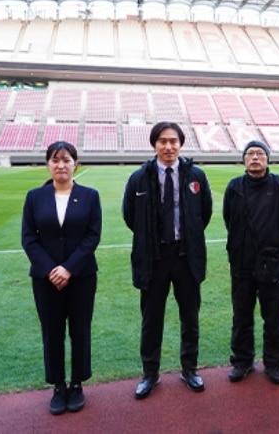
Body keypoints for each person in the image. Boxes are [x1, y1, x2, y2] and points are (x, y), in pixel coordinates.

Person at [122, 121, 213, 399]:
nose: (168, 146)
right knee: (151, 320)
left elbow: (204, 213)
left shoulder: (195, 174)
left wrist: (188, 237)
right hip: (154, 258)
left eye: (173, 141)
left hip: (185, 257)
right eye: (162, 141)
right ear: (154, 145)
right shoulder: (140, 178)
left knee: (190, 317)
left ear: (181, 144)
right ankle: (150, 374)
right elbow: (130, 216)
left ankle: (189, 369)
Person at [21, 141, 101, 415]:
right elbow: (29, 238)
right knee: (52, 332)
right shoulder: (35, 197)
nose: (61, 165)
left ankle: (77, 383)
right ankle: (58, 386)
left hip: (81, 276)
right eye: (55, 160)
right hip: (45, 279)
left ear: (75, 163)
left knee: (80, 330)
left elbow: (93, 236)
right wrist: (50, 269)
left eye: (66, 160)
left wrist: (68, 268)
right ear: (48, 164)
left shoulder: (90, 196)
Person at [223, 140, 279, 385]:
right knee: (241, 317)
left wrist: (275, 243)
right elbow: (228, 220)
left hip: (272, 264)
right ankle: (242, 362)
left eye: (260, 153)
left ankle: (274, 364)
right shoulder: (234, 187)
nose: (255, 157)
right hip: (242, 264)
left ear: (267, 159)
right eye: (250, 154)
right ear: (244, 160)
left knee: (274, 318)